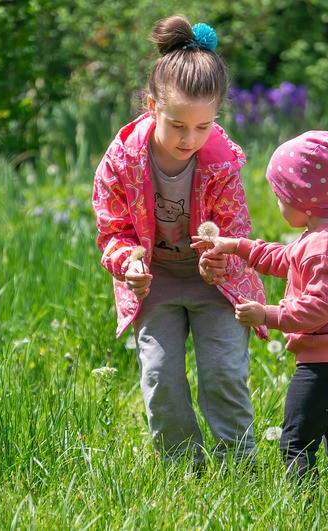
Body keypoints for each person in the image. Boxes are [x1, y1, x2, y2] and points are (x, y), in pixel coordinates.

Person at [92, 15, 267, 468]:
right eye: (178, 126)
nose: (191, 139)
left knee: (224, 371)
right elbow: (113, 229)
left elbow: (235, 230)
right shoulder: (123, 160)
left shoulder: (222, 163)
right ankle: (182, 465)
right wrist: (127, 263)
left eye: (204, 127)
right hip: (157, 282)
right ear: (151, 106)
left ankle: (239, 464)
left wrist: (221, 258)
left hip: (215, 283)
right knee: (159, 375)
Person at [192, 131, 328, 492]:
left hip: (323, 371)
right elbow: (284, 258)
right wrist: (237, 246)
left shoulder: (318, 250)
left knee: (296, 444)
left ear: (302, 203)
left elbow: (317, 309)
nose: (277, 203)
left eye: (280, 197)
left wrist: (266, 315)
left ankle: (303, 508)